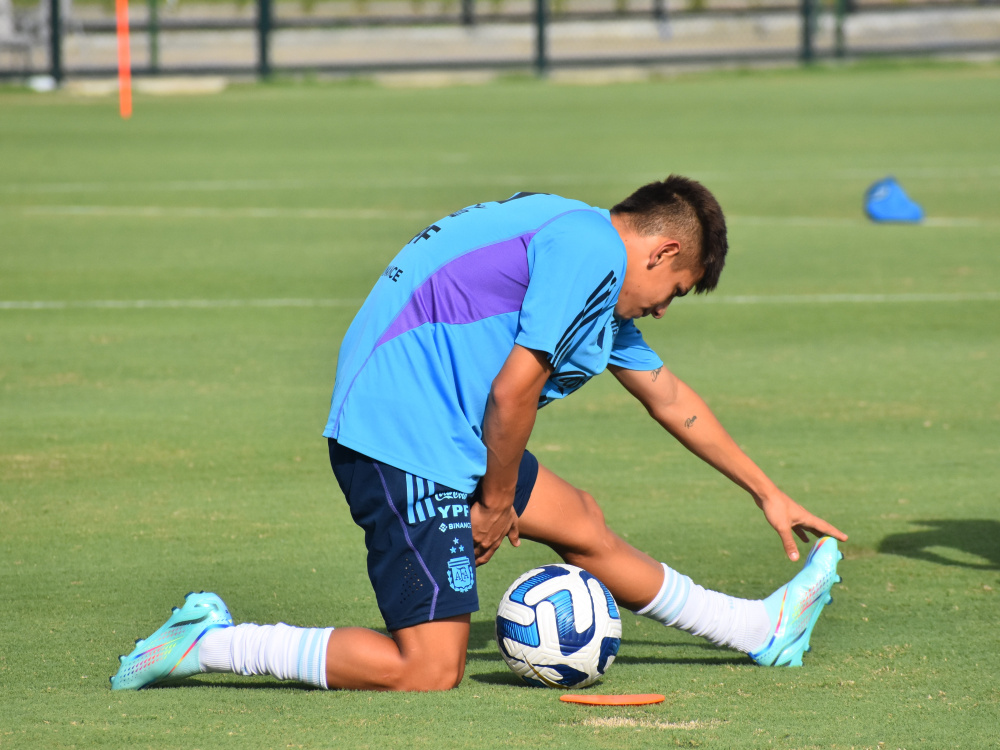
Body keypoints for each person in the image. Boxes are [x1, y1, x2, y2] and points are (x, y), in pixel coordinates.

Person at [111, 176, 847, 693]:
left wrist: (768, 494)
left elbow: (670, 396)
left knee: (580, 521)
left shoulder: (589, 265)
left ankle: (758, 628)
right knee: (426, 670)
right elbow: (513, 388)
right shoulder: (588, 249)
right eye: (675, 293)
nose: (661, 311)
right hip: (401, 435)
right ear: (660, 254)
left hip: (441, 425)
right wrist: (497, 500)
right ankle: (207, 643)